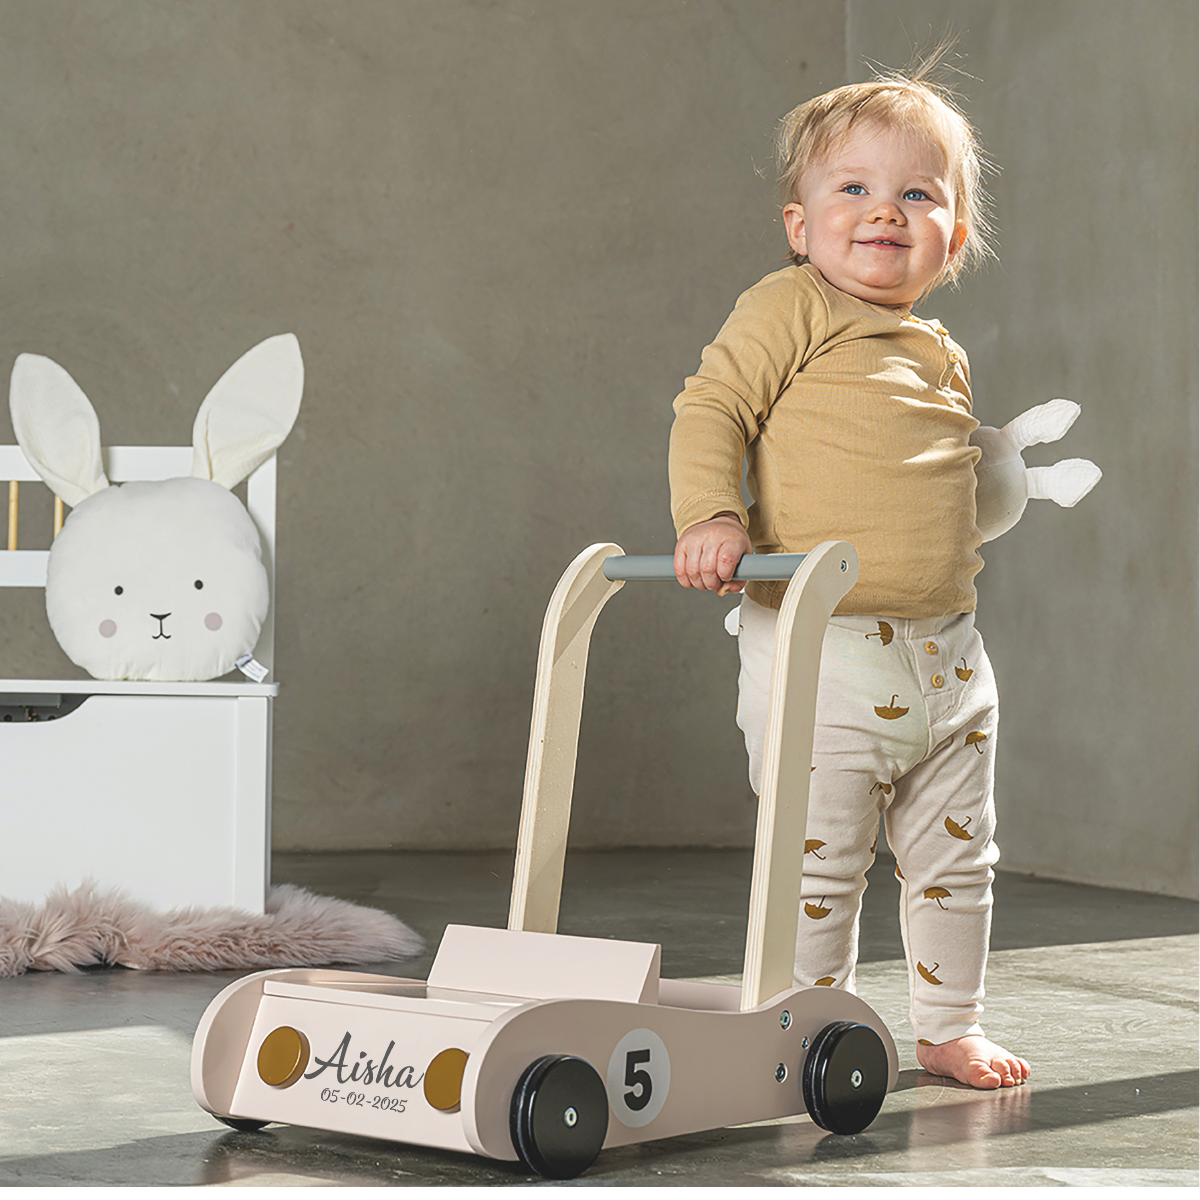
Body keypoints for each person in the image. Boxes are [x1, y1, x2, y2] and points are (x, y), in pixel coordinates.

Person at [669, 64, 1031, 1089]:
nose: (886, 211)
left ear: (954, 237)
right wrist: (712, 514)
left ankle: (950, 1024)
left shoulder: (941, 351)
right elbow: (712, 409)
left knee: (959, 858)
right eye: (855, 189)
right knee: (817, 862)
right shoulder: (792, 307)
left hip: (946, 651)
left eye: (918, 193)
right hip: (820, 651)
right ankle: (803, 1025)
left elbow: (936, 486)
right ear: (800, 225)